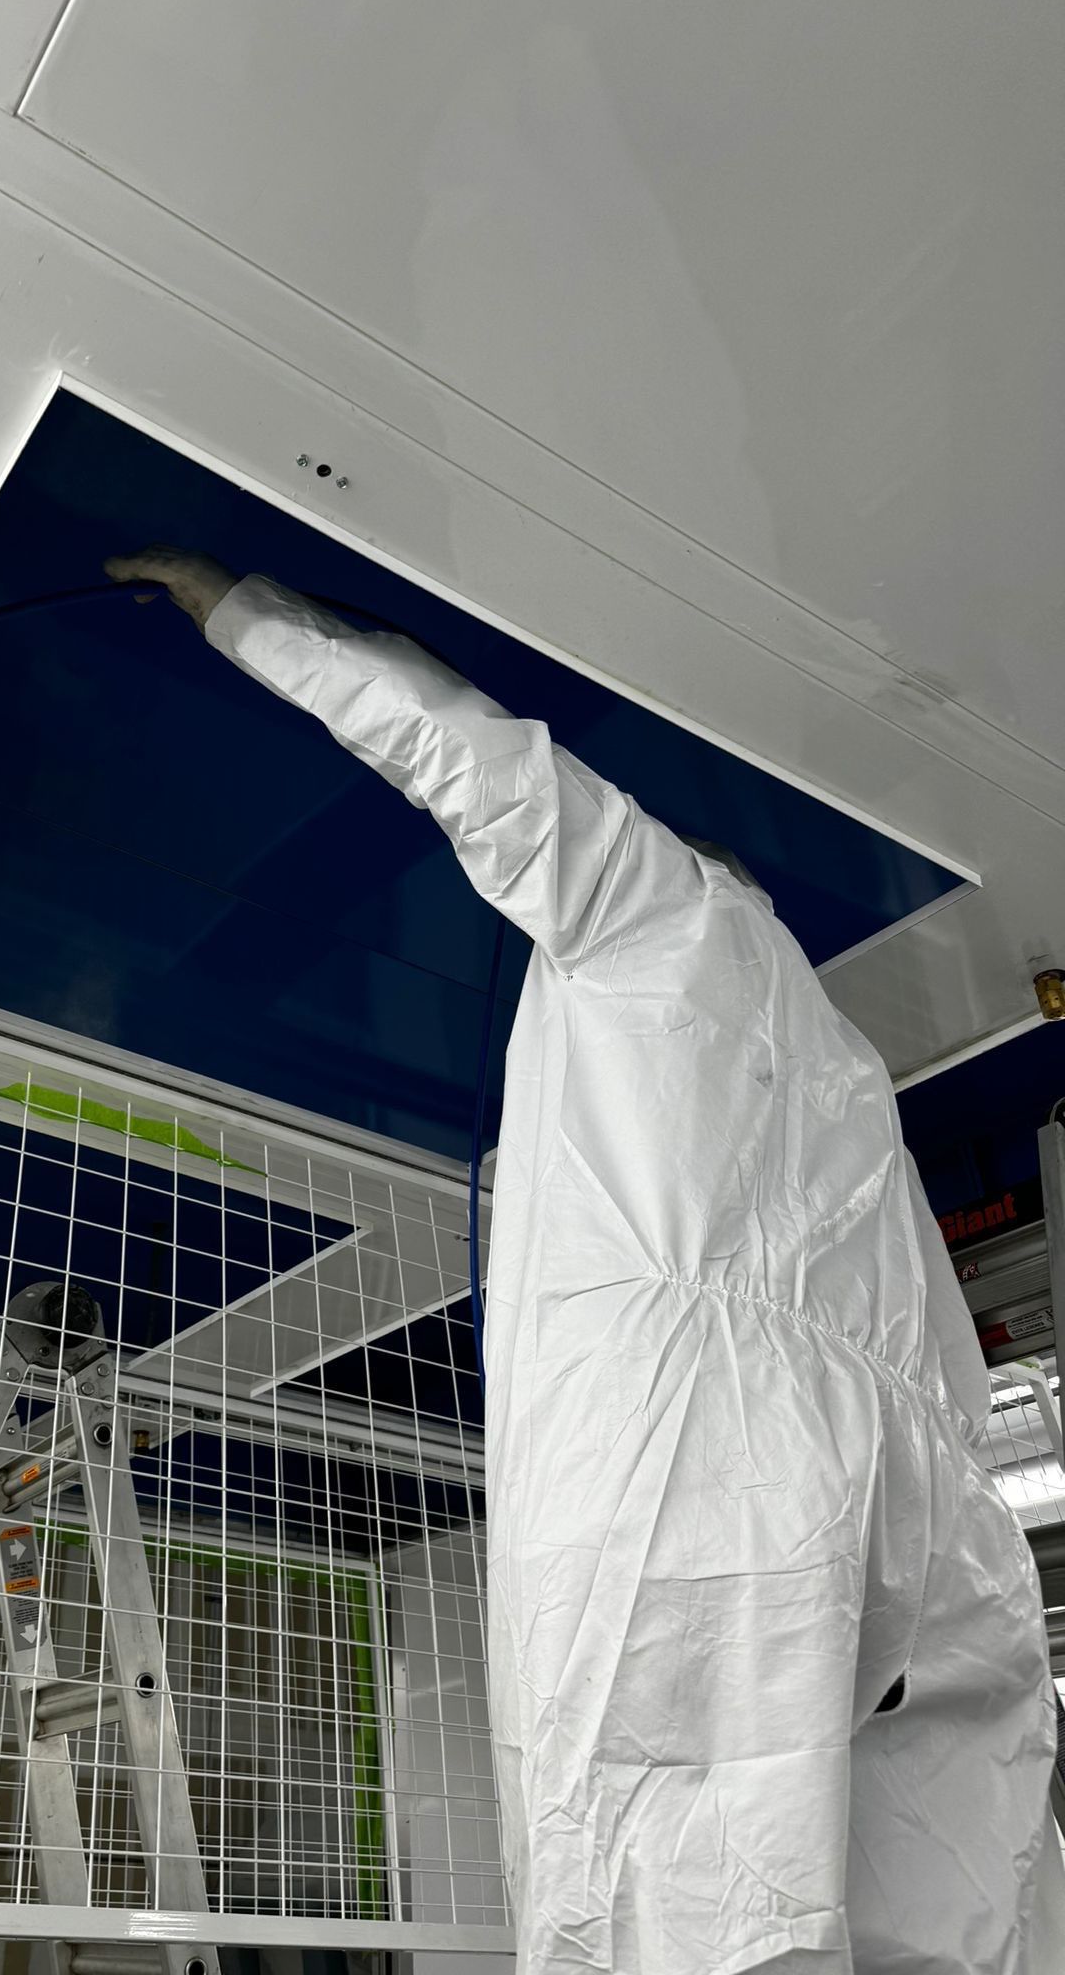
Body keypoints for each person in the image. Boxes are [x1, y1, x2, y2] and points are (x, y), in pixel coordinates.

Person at [105, 547, 1059, 1974]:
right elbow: (931, 1351)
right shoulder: (845, 1065)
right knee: (927, 1840)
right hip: (896, 1475)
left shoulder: (655, 919)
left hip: (686, 1444)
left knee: (656, 1841)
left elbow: (483, 770)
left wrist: (247, 614)